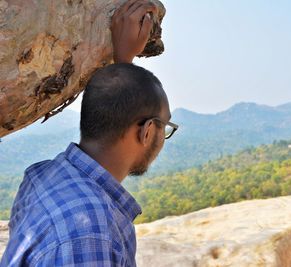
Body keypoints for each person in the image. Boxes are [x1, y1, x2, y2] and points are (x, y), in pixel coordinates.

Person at [0, 0, 177, 266]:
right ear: (147, 131)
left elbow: (116, 98)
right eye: (166, 127)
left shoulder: (42, 175)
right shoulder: (92, 231)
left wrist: (123, 61)